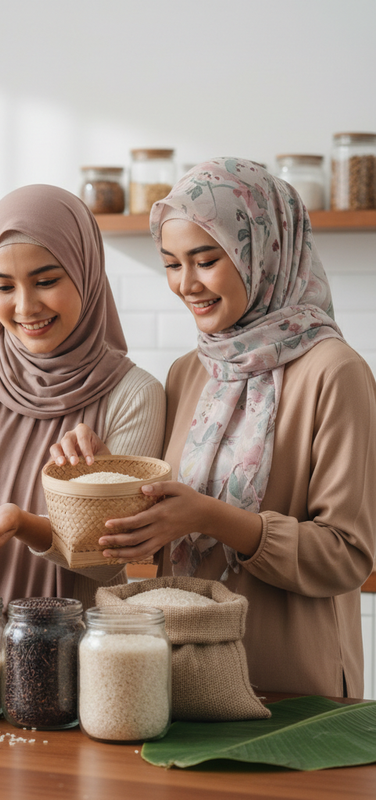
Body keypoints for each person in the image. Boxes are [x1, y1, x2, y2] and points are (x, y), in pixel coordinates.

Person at [52, 157, 376, 697]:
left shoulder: (335, 372)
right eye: (172, 264)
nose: (186, 285)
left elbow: (347, 555)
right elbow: (153, 531)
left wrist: (213, 517)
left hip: (291, 686)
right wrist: (101, 481)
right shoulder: (188, 373)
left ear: (265, 254)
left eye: (205, 260)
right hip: (178, 678)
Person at [0, 184, 165, 608]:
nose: (25, 306)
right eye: (2, 287)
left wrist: (84, 493)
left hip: (71, 649)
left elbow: (106, 565)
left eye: (46, 281)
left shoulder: (134, 394)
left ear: (87, 271)